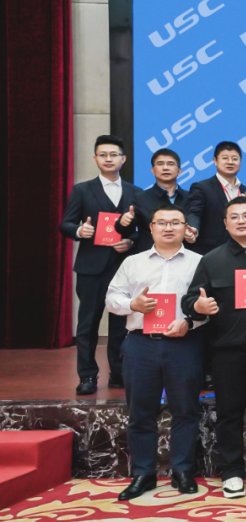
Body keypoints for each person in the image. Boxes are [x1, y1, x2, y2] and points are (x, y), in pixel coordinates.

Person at [181, 197, 246, 498]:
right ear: (225, 223)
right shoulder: (211, 259)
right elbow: (190, 300)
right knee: (229, 413)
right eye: (234, 217)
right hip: (228, 352)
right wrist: (198, 306)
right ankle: (231, 472)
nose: (241, 221)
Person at [105, 205, 204, 500]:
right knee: (140, 413)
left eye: (175, 222)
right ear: (151, 228)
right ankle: (143, 474)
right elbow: (112, 297)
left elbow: (210, 304)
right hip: (141, 344)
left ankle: (182, 471)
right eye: (162, 222)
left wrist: (190, 322)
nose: (168, 227)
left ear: (186, 228)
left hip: (184, 344)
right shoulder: (132, 262)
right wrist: (131, 305)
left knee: (185, 410)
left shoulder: (200, 262)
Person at [60, 134, 138, 395]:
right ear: (95, 158)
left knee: (120, 326)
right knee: (88, 325)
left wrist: (130, 241)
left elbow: (143, 231)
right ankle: (87, 376)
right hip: (91, 268)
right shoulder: (82, 190)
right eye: (103, 154)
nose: (108, 159)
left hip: (123, 267)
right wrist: (79, 231)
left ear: (123, 159)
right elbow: (66, 224)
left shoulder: (135, 192)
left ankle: (118, 373)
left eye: (113, 154)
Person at [187, 141, 246, 256]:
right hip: (211, 252)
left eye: (235, 159)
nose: (230, 162)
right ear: (215, 160)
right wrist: (193, 228)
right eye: (225, 158)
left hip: (241, 252)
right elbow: (194, 212)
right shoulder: (202, 187)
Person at [133, 148, 192, 253]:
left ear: (179, 171)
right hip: (149, 256)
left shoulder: (191, 197)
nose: (165, 168)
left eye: (170, 164)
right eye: (160, 164)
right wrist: (123, 222)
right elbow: (127, 231)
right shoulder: (139, 198)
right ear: (153, 170)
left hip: (186, 255)